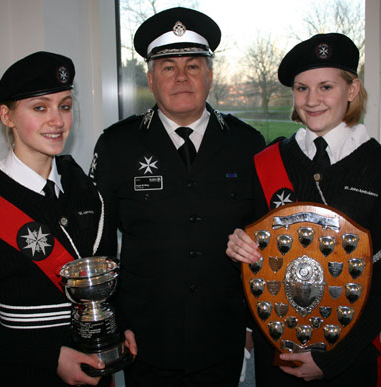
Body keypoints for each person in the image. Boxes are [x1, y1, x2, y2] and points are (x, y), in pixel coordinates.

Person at [226, 33, 381, 386]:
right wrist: (238, 246)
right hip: (278, 360)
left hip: (350, 362)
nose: (312, 100)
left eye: (326, 86)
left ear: (352, 89)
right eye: (302, 88)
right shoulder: (266, 163)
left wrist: (332, 361)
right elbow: (249, 254)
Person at [89, 7, 265, 387]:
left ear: (210, 76)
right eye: (168, 67)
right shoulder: (118, 145)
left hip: (223, 331)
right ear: (151, 79)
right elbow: (99, 244)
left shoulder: (246, 143)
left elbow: (260, 239)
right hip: (145, 336)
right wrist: (114, 321)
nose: (182, 77)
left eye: (193, 66)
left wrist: (255, 322)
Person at [0, 51, 112, 386]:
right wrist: (51, 356)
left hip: (95, 368)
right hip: (26, 375)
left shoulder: (82, 185)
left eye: (65, 105)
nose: (57, 120)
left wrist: (121, 326)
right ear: (7, 116)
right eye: (40, 107)